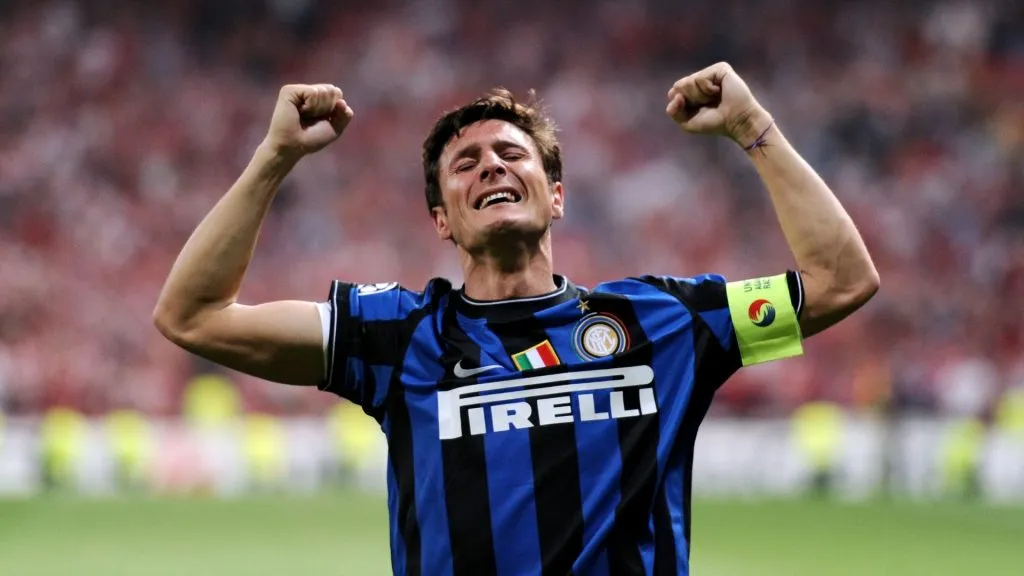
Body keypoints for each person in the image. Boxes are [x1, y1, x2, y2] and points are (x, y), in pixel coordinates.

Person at [153, 62, 879, 576]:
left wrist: (754, 126)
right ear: (442, 219)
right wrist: (274, 156)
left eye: (511, 153)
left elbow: (843, 280)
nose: (492, 167)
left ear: (555, 196)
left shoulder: (664, 323)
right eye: (465, 164)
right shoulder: (398, 337)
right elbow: (194, 315)